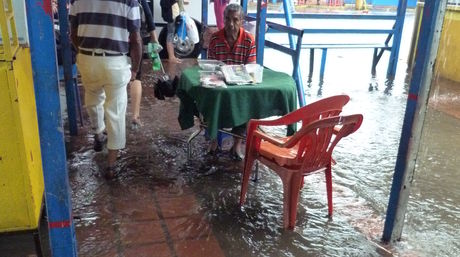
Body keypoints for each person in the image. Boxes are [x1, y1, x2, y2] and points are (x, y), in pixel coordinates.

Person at [70, 0, 143, 179]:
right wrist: (135, 68)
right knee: (116, 111)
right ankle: (111, 165)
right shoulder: (129, 1)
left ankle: (98, 134)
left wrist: (84, 52)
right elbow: (136, 38)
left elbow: (72, 32)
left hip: (87, 58)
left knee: (93, 98)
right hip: (115, 61)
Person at [207, 3, 257, 161]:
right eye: (227, 19)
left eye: (235, 20)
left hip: (239, 87)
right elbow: (210, 67)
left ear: (242, 21)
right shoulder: (215, 38)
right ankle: (214, 142)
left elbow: (251, 69)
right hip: (220, 86)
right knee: (213, 102)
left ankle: (236, 145)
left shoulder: (249, 40)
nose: (230, 24)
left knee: (246, 105)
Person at [129, 0, 160, 129]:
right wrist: (155, 39)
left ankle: (110, 118)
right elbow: (148, 15)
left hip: (117, 40)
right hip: (136, 40)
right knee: (136, 77)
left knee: (115, 80)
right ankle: (135, 116)